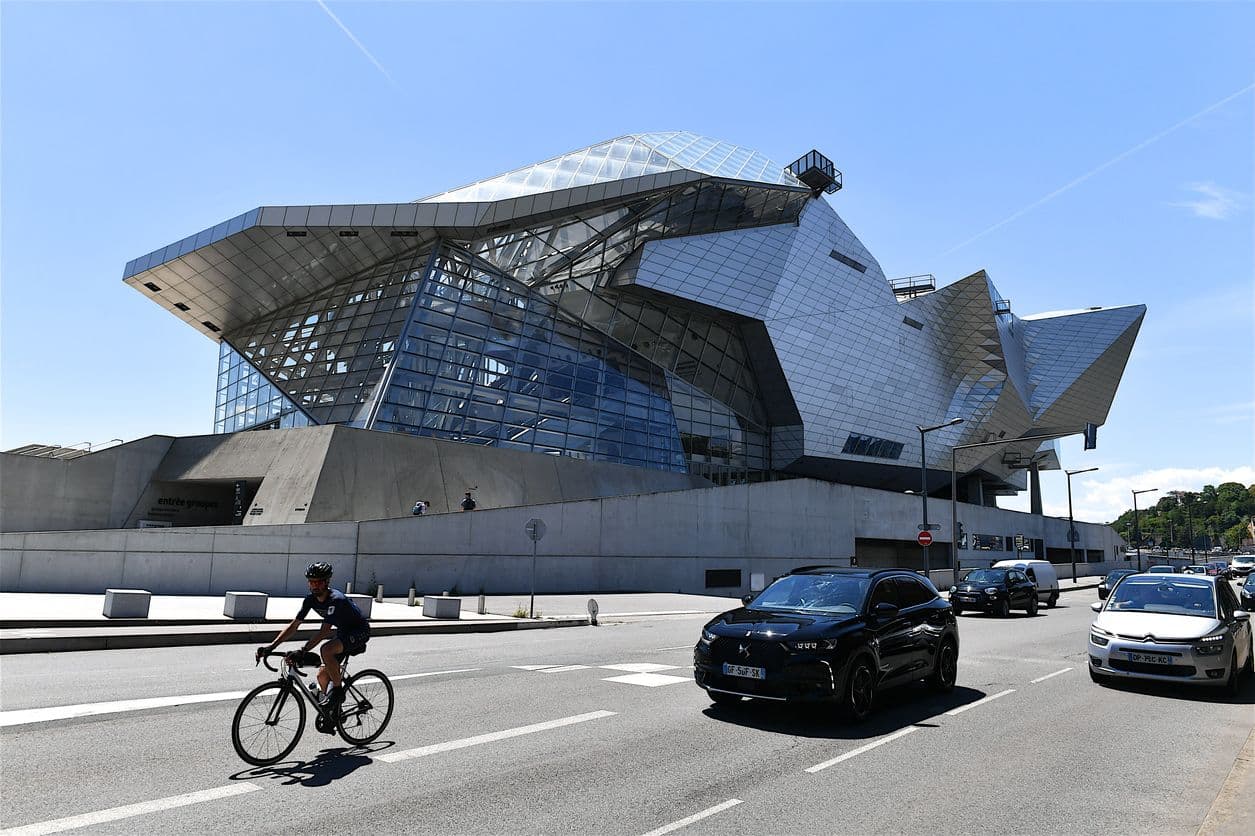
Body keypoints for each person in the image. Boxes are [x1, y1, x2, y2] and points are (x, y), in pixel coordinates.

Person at [255, 562, 370, 716]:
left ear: (327, 582)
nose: (314, 585)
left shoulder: (336, 599)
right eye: (311, 581)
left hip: (359, 631)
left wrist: (302, 651)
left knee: (326, 649)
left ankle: (338, 692)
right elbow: (294, 626)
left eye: (318, 582)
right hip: (343, 633)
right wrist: (271, 647)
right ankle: (335, 713)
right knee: (322, 675)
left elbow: (324, 631)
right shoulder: (310, 600)